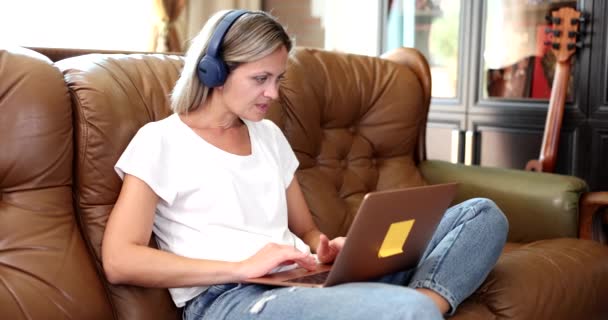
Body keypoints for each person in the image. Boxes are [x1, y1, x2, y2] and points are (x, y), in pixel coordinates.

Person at [101, 9, 509, 320]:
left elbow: (308, 230)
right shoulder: (162, 141)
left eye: (278, 79)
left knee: (482, 214)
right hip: (231, 298)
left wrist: (328, 249)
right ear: (214, 71)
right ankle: (411, 310)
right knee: (404, 311)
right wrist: (242, 267)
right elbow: (120, 259)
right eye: (261, 79)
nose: (273, 94)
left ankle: (424, 303)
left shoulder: (268, 136)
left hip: (306, 280)